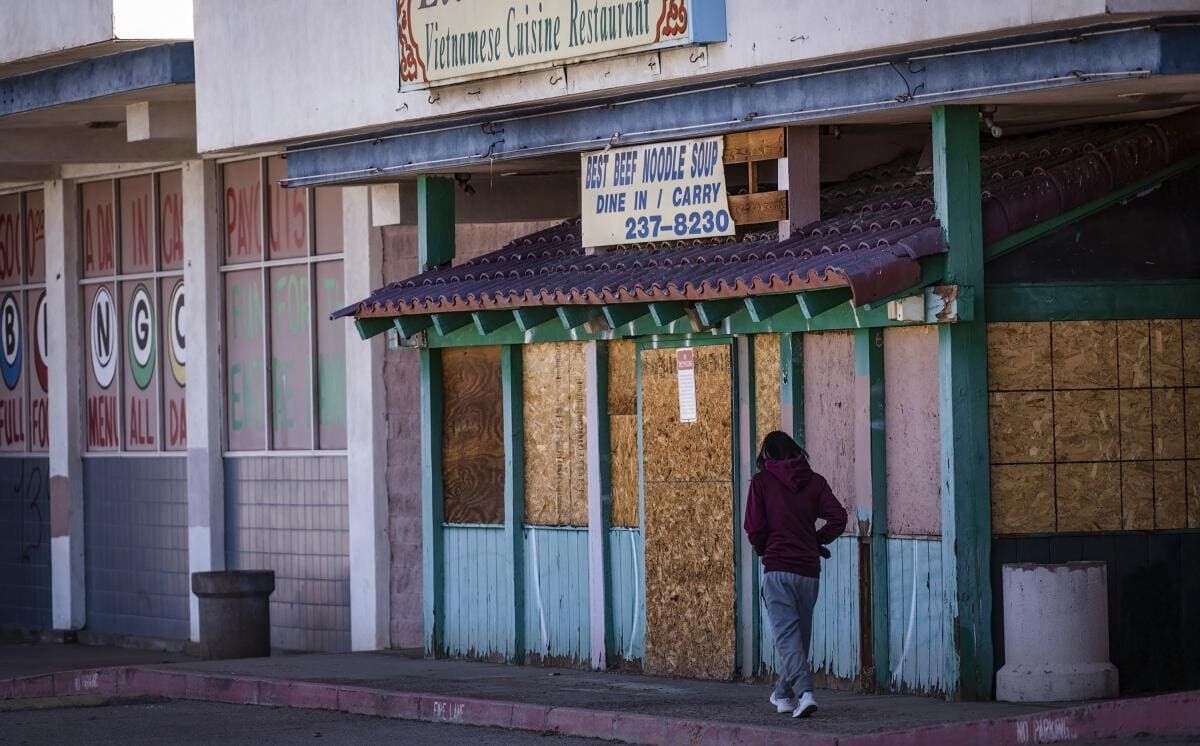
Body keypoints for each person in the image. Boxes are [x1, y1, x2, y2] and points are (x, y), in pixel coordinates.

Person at [744, 430, 847, 718]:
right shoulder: (815, 482)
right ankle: (782, 694)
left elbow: (753, 527)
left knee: (788, 638)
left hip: (777, 570)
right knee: (798, 639)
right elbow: (838, 518)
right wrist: (816, 541)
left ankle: (805, 694)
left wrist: (765, 547)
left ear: (766, 456)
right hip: (808, 572)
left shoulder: (762, 482)